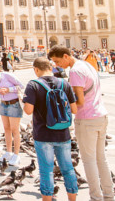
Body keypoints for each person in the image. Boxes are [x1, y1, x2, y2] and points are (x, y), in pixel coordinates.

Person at [49, 45, 114, 201]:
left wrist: (64, 105)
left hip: (87, 119)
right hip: (100, 115)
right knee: (101, 159)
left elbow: (79, 101)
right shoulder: (86, 65)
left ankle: (95, 197)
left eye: (58, 61)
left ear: (66, 56)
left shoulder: (75, 71)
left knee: (89, 161)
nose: (57, 65)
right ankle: (109, 195)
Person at [23, 57, 79, 201]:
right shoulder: (64, 83)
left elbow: (28, 111)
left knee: (46, 171)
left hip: (43, 134)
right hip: (63, 133)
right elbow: (74, 109)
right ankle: (72, 198)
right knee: (68, 169)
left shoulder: (33, 84)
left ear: (36, 69)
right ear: (51, 68)